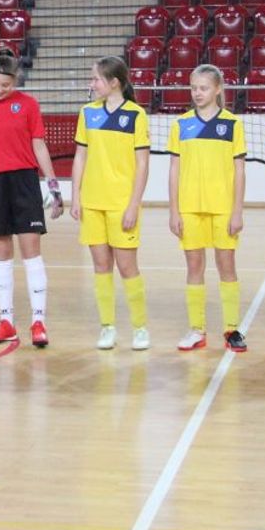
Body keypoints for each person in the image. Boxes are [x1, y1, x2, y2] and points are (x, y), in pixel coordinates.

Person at [0, 53, 61, 347]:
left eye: (5, 85)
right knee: (2, 254)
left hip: (25, 182)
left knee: (31, 253)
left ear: (15, 81)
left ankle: (38, 322)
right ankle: (6, 322)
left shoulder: (29, 105)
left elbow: (39, 146)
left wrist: (53, 185)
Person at [71, 56, 150, 351]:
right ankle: (107, 327)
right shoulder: (87, 113)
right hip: (93, 203)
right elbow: (80, 156)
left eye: (96, 79)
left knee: (127, 267)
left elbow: (142, 165)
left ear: (114, 82)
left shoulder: (136, 115)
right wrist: (76, 196)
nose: (91, 84)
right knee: (101, 267)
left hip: (121, 203)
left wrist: (133, 205)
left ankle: (140, 328)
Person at [166, 64, 247, 353]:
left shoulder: (232, 124)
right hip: (189, 207)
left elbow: (239, 171)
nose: (197, 93)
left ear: (218, 89)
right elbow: (174, 170)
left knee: (227, 266)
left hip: (223, 207)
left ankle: (231, 328)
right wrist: (174, 210)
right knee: (194, 267)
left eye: (203, 88)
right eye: (193, 88)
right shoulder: (181, 125)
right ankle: (197, 329)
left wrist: (237, 210)